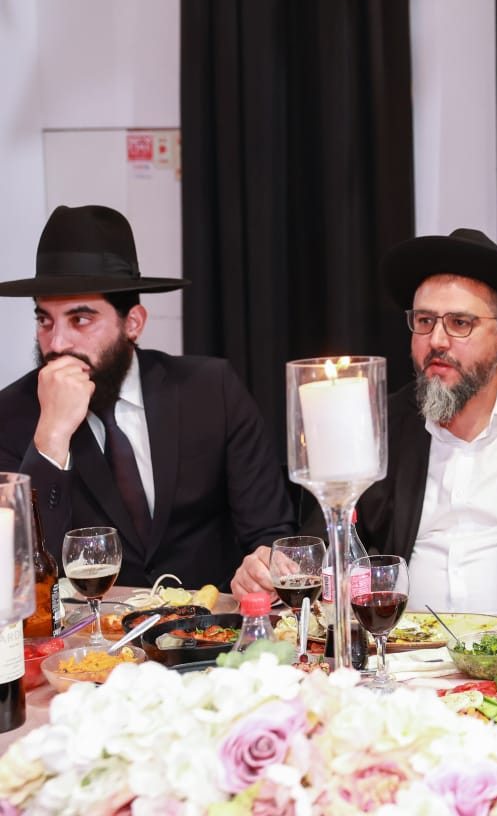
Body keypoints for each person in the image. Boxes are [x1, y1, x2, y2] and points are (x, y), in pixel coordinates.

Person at [233, 229, 497, 624]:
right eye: (424, 321)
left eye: (459, 323)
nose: (437, 340)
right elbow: (323, 550)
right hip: (404, 652)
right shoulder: (379, 423)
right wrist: (270, 569)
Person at [0, 205, 295, 589]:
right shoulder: (13, 413)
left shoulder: (211, 389)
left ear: (133, 323)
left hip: (214, 620)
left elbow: (270, 533)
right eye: (44, 320)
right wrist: (51, 438)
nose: (56, 343)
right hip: (91, 626)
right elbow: (17, 571)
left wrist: (261, 567)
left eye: (80, 320)